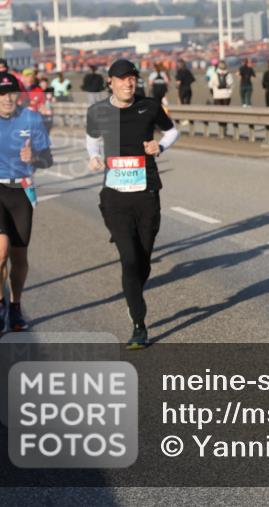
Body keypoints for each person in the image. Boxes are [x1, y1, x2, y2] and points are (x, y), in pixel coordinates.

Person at [86, 59, 179, 349]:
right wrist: (93, 156)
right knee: (128, 259)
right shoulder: (98, 110)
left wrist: (159, 146)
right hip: (114, 195)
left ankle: (133, 296)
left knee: (143, 260)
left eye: (132, 78)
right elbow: (91, 138)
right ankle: (139, 325)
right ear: (110, 82)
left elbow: (173, 130)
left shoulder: (149, 106)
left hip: (146, 192)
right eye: (122, 78)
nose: (128, 83)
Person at [0, 72, 54, 333]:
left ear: (19, 95)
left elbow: (47, 158)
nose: (7, 98)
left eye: (12, 92)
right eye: (1, 93)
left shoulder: (31, 119)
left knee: (19, 256)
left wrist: (34, 157)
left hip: (21, 190)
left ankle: (15, 305)